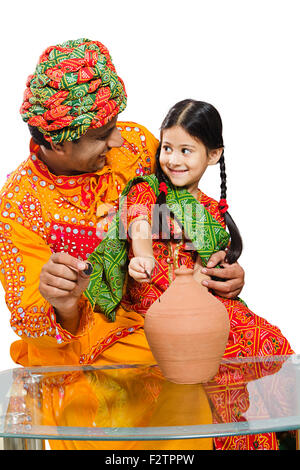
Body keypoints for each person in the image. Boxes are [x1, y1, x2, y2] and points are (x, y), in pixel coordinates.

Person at [0, 39, 244, 369]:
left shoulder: (138, 146)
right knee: (171, 359)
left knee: (250, 345)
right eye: (103, 135)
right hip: (95, 343)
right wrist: (64, 303)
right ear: (58, 144)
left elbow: (190, 211)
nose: (117, 140)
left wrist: (223, 267)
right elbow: (31, 319)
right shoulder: (18, 203)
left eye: (116, 125)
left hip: (170, 306)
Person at [86, 99, 294, 450]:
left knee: (269, 342)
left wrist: (209, 280)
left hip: (200, 302)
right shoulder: (149, 190)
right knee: (214, 367)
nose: (173, 159)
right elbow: (138, 223)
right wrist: (143, 258)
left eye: (186, 150)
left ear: (213, 155)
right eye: (167, 148)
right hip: (154, 304)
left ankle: (278, 434)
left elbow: (211, 266)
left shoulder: (211, 211)